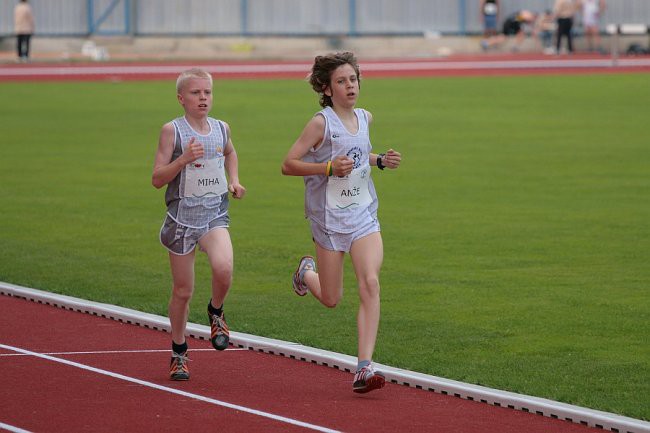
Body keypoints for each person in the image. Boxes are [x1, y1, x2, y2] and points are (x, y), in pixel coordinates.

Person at [281, 52, 402, 394]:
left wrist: (380, 161)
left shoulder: (365, 117)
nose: (350, 86)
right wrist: (327, 169)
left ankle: (364, 367)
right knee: (332, 298)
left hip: (363, 215)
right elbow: (288, 164)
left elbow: (359, 156)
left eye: (353, 80)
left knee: (371, 283)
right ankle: (306, 273)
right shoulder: (321, 124)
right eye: (341, 81)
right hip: (329, 221)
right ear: (326, 88)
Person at [152, 68, 246, 381]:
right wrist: (181, 160)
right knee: (182, 291)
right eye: (196, 93)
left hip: (213, 215)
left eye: (207, 92)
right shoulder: (172, 131)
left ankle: (216, 311)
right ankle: (179, 351)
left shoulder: (221, 128)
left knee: (224, 267)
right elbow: (156, 179)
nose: (203, 98)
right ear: (181, 98)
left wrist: (234, 181)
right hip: (182, 221)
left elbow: (230, 153)